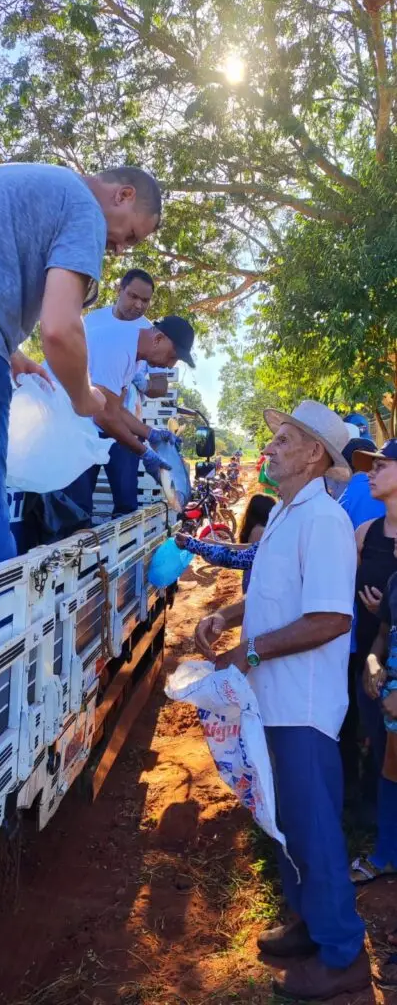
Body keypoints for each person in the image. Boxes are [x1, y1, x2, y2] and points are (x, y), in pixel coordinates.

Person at [194, 400, 370, 1001]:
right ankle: (308, 925)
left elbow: (330, 619)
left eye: (284, 440)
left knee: (312, 829)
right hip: (272, 701)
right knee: (287, 823)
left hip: (303, 706)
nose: (269, 448)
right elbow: (273, 591)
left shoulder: (323, 521)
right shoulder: (289, 514)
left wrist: (249, 652)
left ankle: (343, 954)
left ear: (315, 454)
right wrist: (225, 615)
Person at [0, 162, 162, 575]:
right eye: (131, 235)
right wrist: (82, 398)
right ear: (123, 195)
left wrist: (10, 351)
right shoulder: (85, 209)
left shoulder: (41, 184)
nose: (120, 249)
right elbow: (59, 330)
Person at [59, 315, 195, 524]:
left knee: (82, 512)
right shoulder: (118, 349)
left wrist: (151, 434)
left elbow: (115, 409)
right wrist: (144, 452)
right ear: (158, 339)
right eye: (172, 357)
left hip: (83, 424)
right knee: (74, 511)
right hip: (65, 423)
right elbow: (103, 416)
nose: (170, 366)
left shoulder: (133, 357)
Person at [345, 439, 397, 881]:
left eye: (381, 465)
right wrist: (372, 660)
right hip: (371, 664)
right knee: (384, 757)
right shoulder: (365, 532)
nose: (370, 473)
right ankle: (386, 846)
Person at [86, 268, 168, 515]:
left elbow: (160, 385)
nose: (139, 305)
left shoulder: (150, 333)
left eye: (145, 300)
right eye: (133, 296)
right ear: (119, 290)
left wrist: (143, 383)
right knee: (77, 502)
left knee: (126, 502)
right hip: (86, 425)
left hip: (125, 426)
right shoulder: (92, 321)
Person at [175, 494, 275, 591]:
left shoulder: (259, 530)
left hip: (255, 581)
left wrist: (195, 544)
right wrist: (216, 543)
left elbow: (237, 555)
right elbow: (246, 550)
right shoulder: (263, 531)